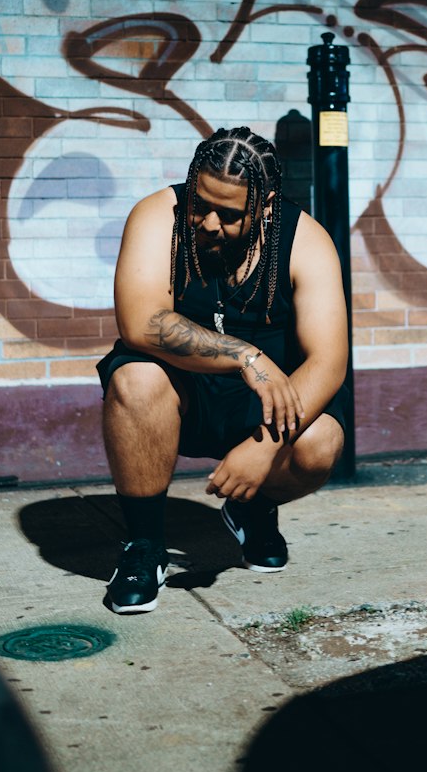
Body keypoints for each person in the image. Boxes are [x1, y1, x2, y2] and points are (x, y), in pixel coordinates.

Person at [96, 126, 350, 614]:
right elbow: (140, 323)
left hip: (260, 410)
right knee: (135, 378)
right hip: (179, 389)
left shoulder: (306, 241)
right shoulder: (158, 216)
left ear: (267, 207)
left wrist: (265, 448)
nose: (209, 223)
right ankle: (144, 547)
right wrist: (245, 355)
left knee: (322, 443)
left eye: (230, 215)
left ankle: (252, 505)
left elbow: (328, 362)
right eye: (200, 204)